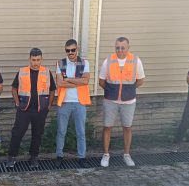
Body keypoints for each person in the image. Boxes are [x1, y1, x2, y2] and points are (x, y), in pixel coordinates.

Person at [98, 37, 146, 167]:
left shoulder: (136, 61)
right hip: (110, 101)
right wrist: (112, 91)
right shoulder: (108, 61)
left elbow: (140, 80)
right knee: (107, 127)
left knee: (127, 127)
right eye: (117, 47)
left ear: (128, 48)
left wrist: (128, 90)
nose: (120, 50)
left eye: (122, 47)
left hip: (129, 101)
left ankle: (126, 155)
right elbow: (101, 81)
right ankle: (106, 155)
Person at [6, 48, 56, 169]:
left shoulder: (46, 72)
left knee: (37, 135)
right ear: (29, 59)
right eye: (33, 60)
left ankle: (34, 157)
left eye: (38, 60)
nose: (36, 62)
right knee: (17, 133)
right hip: (24, 109)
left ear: (41, 59)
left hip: (40, 110)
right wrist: (17, 102)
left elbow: (52, 89)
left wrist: (49, 105)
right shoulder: (22, 72)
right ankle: (12, 157)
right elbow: (14, 88)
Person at [55, 39, 91, 167]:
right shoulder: (60, 63)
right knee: (61, 131)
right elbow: (60, 83)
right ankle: (59, 156)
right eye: (68, 50)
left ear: (77, 49)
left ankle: (82, 157)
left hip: (80, 102)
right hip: (64, 102)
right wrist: (78, 81)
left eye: (73, 50)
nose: (70, 53)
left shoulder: (85, 63)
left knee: (81, 132)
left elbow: (85, 81)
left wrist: (68, 79)